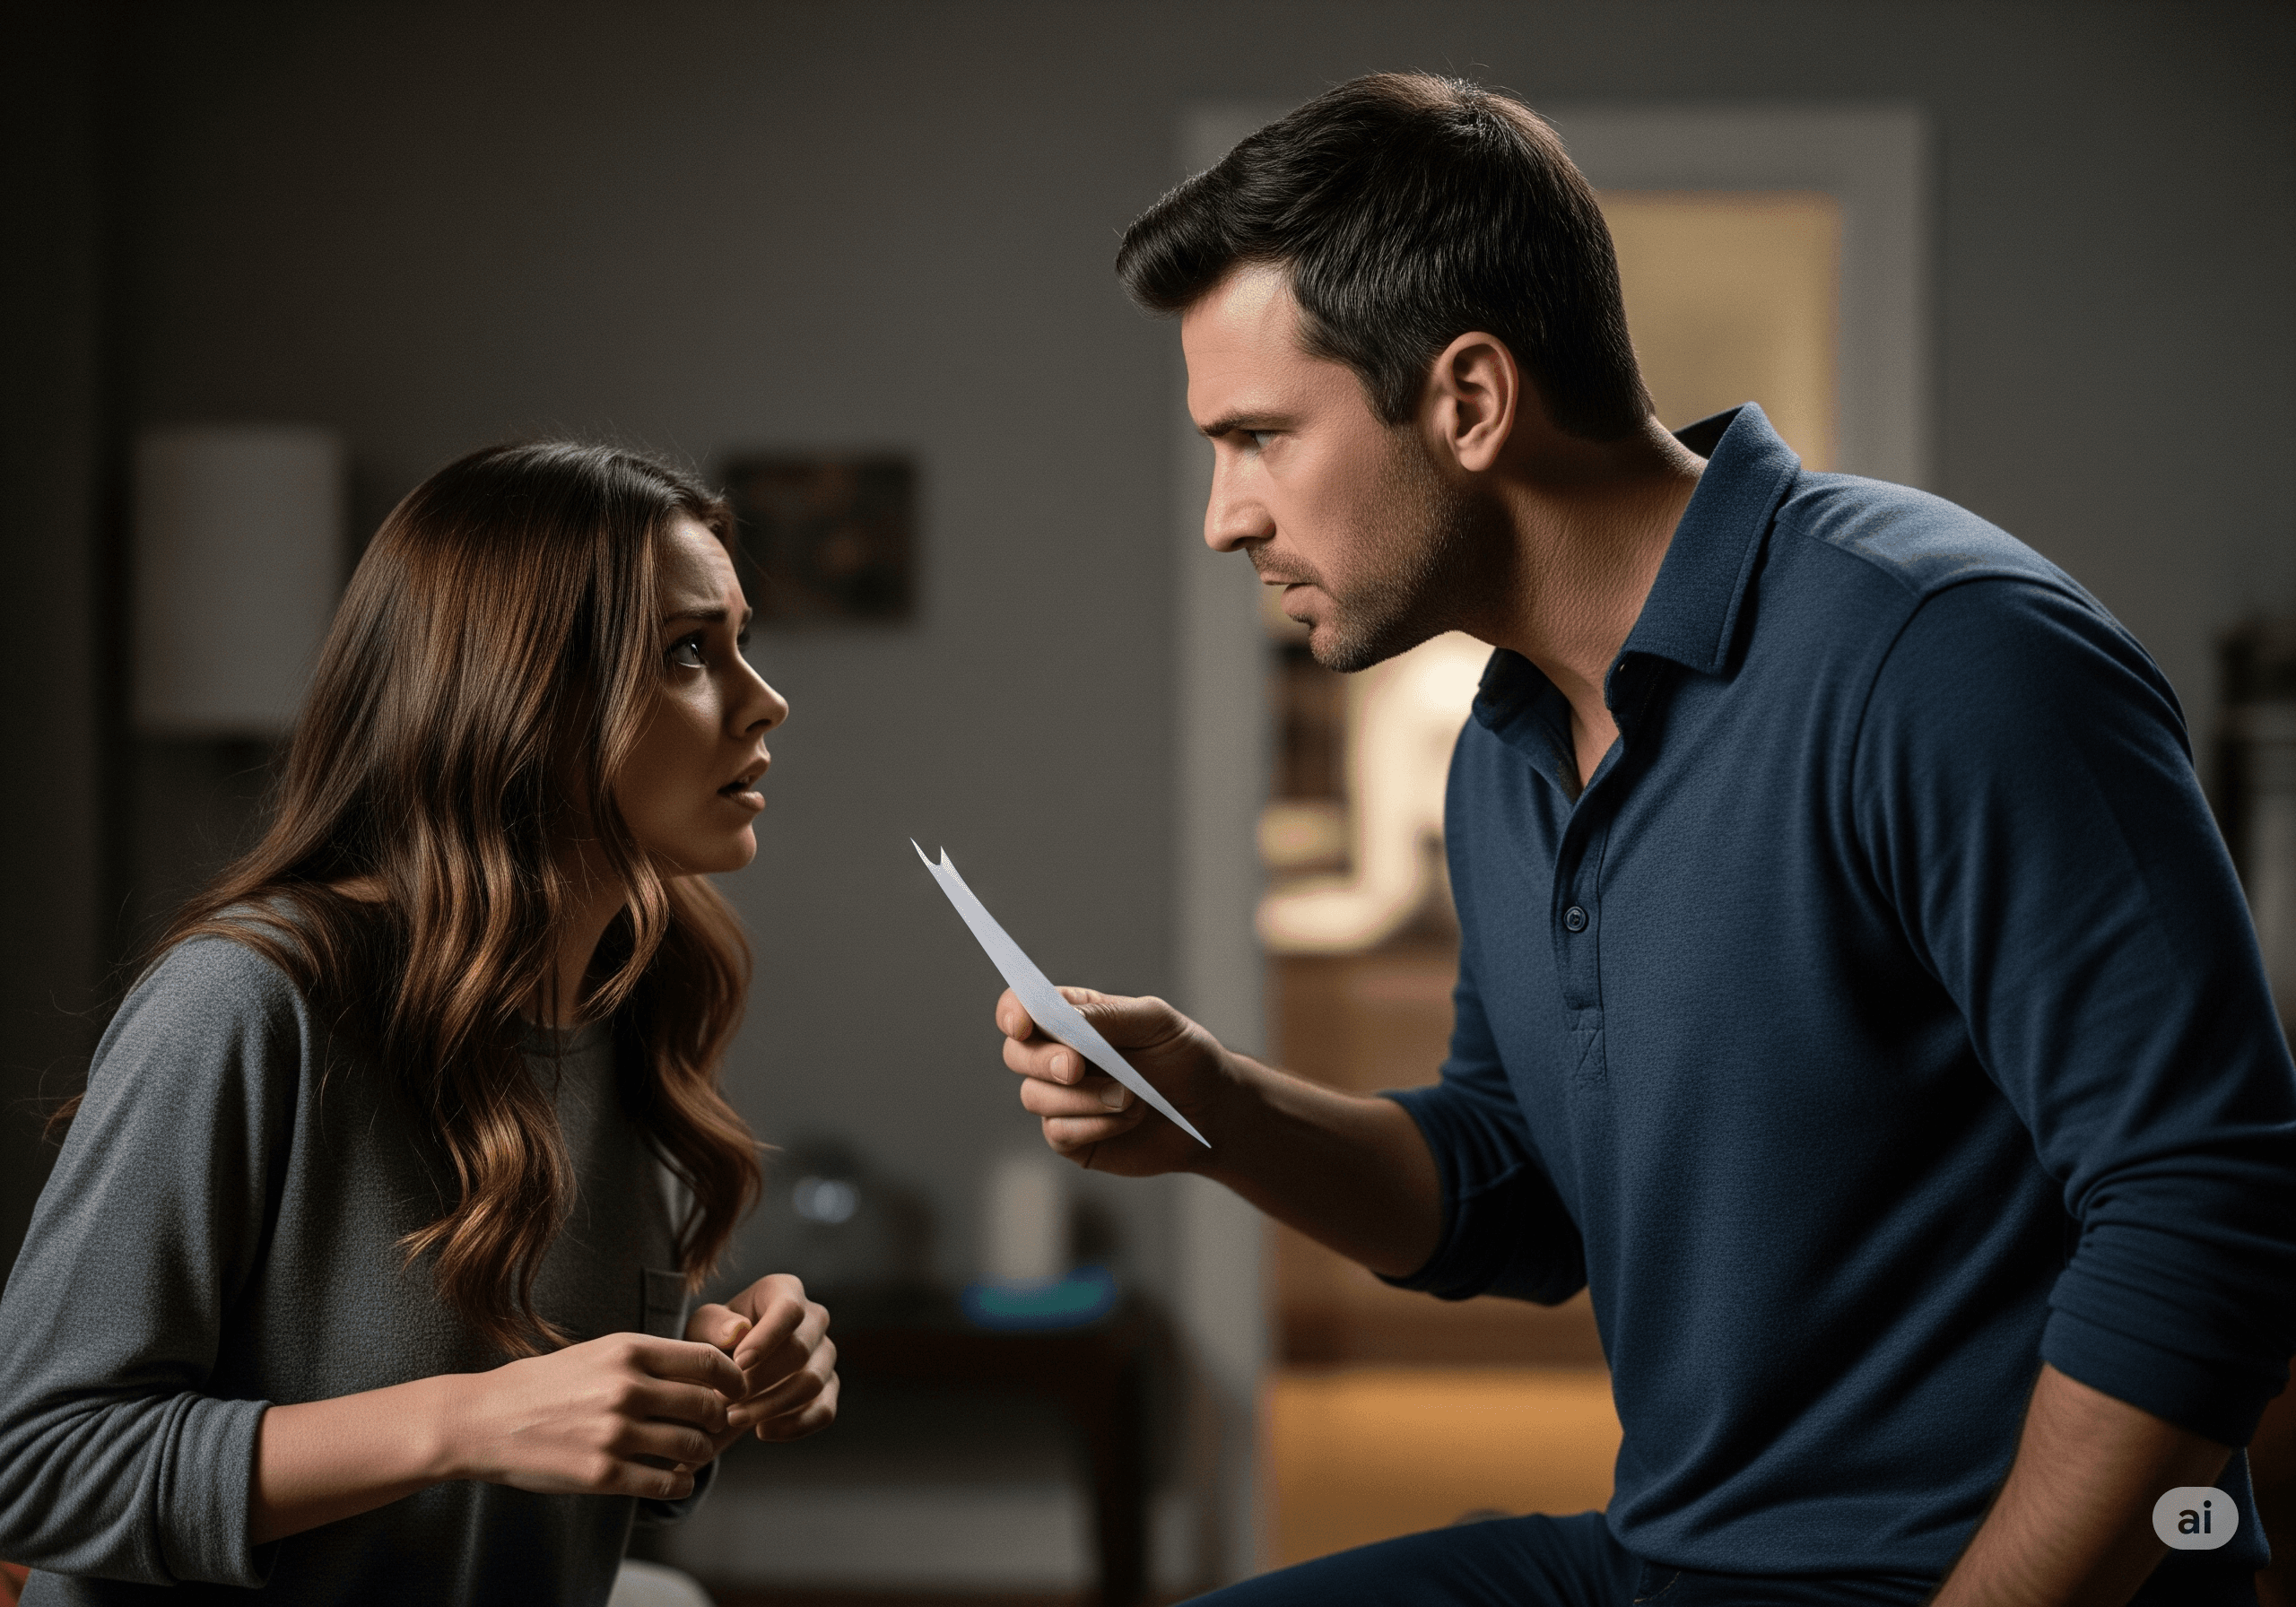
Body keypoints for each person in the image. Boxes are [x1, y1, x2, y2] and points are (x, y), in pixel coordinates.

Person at [994, 74, 2296, 1606]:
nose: (1225, 514)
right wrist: (1212, 1106)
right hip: (1678, 1560)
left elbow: (2211, 1207)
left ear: (1469, 401)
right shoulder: (1509, 745)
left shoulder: (1944, 653)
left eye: (1260, 437)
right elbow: (1514, 1192)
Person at [0, 442, 838, 1603]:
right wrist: (470, 1419)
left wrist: (709, 1376)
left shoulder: (627, 1002)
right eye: (690, 653)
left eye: (744, 643)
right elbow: (35, 1467)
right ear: (526, 695)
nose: (767, 699)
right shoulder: (245, 1002)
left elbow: (530, 1445)